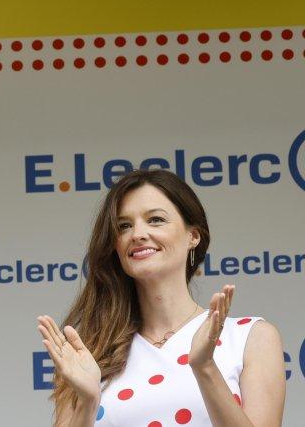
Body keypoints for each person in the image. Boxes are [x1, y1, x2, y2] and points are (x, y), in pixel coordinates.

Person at [37, 169, 285, 427]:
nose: (138, 234)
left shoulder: (251, 337)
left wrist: (204, 367)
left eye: (155, 220)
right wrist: (88, 403)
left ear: (193, 236)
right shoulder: (91, 350)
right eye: (124, 226)